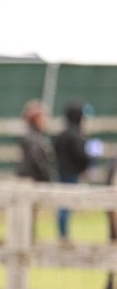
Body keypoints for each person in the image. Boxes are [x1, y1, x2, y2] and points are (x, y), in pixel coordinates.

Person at [53, 101, 92, 241]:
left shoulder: (63, 134)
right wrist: (87, 164)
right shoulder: (76, 136)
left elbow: (55, 152)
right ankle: (64, 235)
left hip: (63, 171)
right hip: (71, 173)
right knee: (66, 204)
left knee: (64, 203)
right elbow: (81, 156)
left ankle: (63, 233)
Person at [16, 99, 53, 183]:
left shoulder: (33, 135)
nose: (46, 120)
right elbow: (35, 160)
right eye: (44, 117)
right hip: (34, 180)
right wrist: (45, 177)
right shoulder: (34, 138)